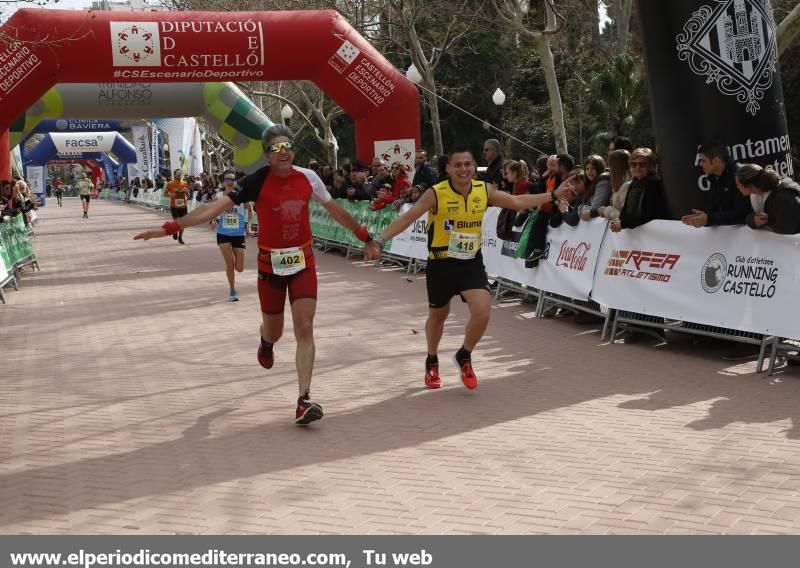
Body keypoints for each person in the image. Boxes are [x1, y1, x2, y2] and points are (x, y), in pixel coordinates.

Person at [134, 125, 375, 426]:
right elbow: (212, 209)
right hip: (269, 266)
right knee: (276, 330)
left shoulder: (308, 178)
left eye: (288, 145)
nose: (283, 151)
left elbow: (336, 211)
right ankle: (266, 340)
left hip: (303, 260)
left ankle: (303, 399)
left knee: (305, 325)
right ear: (267, 155)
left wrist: (365, 237)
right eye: (276, 147)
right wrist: (170, 228)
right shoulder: (255, 182)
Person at [364, 145, 570, 391]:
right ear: (449, 168)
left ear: (474, 168)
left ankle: (464, 355)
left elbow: (516, 201)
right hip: (441, 262)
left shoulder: (483, 190)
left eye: (468, 164)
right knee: (438, 317)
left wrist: (552, 195)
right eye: (458, 164)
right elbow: (408, 217)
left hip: (470, 261)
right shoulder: (436, 193)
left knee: (483, 310)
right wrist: (380, 239)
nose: (463, 169)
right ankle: (432, 358)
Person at [681, 143, 751, 228]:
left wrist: (709, 219)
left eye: (703, 160)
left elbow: (742, 215)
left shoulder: (740, 176)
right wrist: (700, 219)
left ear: (716, 161)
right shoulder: (714, 178)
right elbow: (715, 211)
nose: (700, 164)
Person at [210, 169, 253, 301]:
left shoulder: (241, 195)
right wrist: (213, 220)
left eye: (232, 179)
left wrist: (249, 226)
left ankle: (234, 280)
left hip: (238, 234)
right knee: (229, 264)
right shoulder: (218, 196)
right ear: (223, 182)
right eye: (227, 179)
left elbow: (250, 211)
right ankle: (232, 290)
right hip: (223, 234)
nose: (230, 182)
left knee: (239, 268)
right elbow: (212, 211)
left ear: (235, 182)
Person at [736, 164, 800, 234]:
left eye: (738, 184)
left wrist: (768, 220)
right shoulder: (756, 195)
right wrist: (753, 220)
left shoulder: (784, 198)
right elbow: (746, 215)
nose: (737, 187)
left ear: (749, 186)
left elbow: (788, 228)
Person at [166, 169, 190, 244]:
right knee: (177, 221)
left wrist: (186, 192)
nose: (179, 174)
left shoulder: (185, 183)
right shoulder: (170, 183)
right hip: (174, 206)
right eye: (177, 173)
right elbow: (166, 193)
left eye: (180, 173)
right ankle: (175, 231)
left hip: (183, 206)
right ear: (174, 174)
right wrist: (172, 194)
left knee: (182, 223)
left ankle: (180, 237)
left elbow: (188, 195)